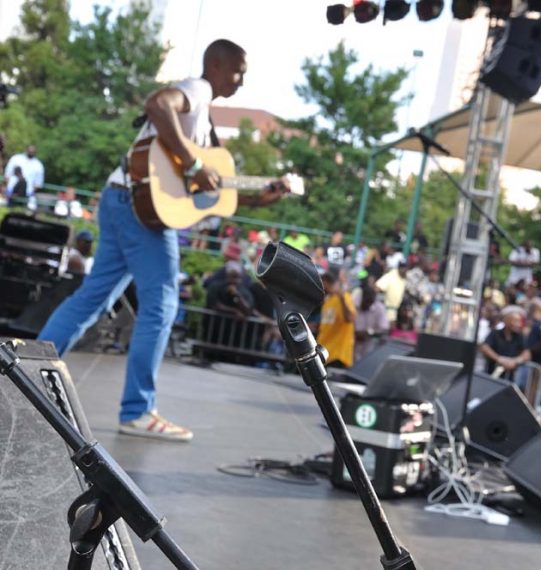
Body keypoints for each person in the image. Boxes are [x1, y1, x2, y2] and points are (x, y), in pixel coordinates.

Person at [38, 39, 286, 442]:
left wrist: (262, 194)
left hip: (120, 196)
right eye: (239, 71)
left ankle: (28, 378)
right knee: (163, 301)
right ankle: (138, 410)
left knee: (92, 297)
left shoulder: (203, 125)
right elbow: (158, 104)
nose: (242, 81)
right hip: (142, 212)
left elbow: (211, 190)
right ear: (217, 65)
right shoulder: (197, 89)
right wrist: (191, 163)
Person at [479, 306, 530, 382]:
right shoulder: (495, 333)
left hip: (510, 377)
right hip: (491, 373)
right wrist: (499, 359)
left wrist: (515, 361)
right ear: (506, 320)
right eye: (515, 321)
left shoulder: (519, 336)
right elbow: (485, 347)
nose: (518, 324)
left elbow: (527, 354)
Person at [317, 271, 356, 368]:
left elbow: (350, 318)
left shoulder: (344, 297)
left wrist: (342, 298)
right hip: (324, 354)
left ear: (326, 282)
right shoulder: (327, 301)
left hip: (337, 356)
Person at [4, 144, 44, 209]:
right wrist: (8, 191)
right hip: (11, 192)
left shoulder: (38, 165)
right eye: (30, 151)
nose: (31, 152)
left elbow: (38, 184)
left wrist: (26, 194)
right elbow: (7, 175)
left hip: (27, 195)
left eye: (33, 151)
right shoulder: (16, 158)